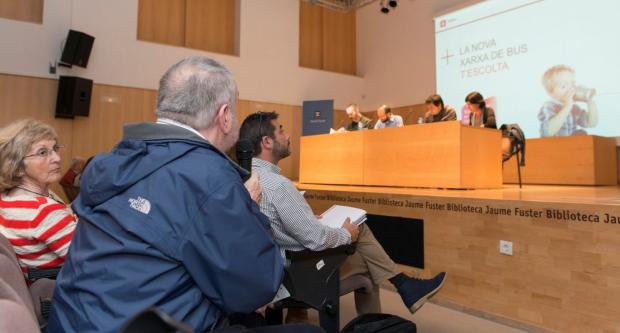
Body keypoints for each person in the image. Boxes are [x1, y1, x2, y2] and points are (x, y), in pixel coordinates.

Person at [47, 57, 321, 333]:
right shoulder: (209, 177)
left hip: (75, 320)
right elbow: (258, 286)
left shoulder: (115, 159)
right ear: (224, 116)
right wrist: (250, 208)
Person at [239, 111, 447, 320]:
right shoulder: (279, 185)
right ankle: (400, 288)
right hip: (298, 272)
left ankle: (403, 286)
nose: (287, 136)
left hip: (274, 268)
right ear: (267, 142)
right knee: (362, 239)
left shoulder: (245, 179)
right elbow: (316, 239)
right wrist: (346, 234)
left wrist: (307, 220)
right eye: (281, 130)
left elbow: (275, 226)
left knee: (366, 260)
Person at [0, 119, 77, 282]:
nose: (56, 158)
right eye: (43, 152)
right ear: (18, 167)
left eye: (55, 148)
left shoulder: (7, 198)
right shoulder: (42, 210)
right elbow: (91, 261)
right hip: (61, 292)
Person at [538, 65, 598, 137]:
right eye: (563, 86)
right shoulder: (549, 106)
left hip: (570, 146)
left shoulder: (574, 108)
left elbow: (591, 124)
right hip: (553, 146)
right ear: (551, 93)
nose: (571, 89)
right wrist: (567, 106)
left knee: (581, 134)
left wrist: (590, 102)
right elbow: (548, 132)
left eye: (573, 84)